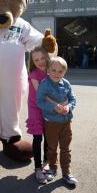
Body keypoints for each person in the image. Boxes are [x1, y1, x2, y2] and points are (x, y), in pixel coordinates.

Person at [36, 56, 78, 185]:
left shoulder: (66, 83)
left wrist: (68, 107)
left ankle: (66, 172)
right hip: (51, 122)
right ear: (48, 70)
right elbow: (40, 101)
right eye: (53, 70)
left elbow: (73, 99)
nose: (56, 74)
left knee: (65, 148)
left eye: (60, 71)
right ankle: (52, 169)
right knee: (52, 148)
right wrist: (54, 107)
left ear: (64, 72)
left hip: (66, 122)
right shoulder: (44, 84)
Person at [25, 46, 50, 184]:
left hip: (48, 108)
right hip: (36, 107)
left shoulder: (51, 71)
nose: (40, 61)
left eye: (42, 58)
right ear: (32, 62)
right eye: (36, 60)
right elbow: (41, 94)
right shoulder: (34, 74)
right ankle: (37, 167)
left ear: (47, 57)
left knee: (48, 135)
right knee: (38, 136)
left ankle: (47, 161)